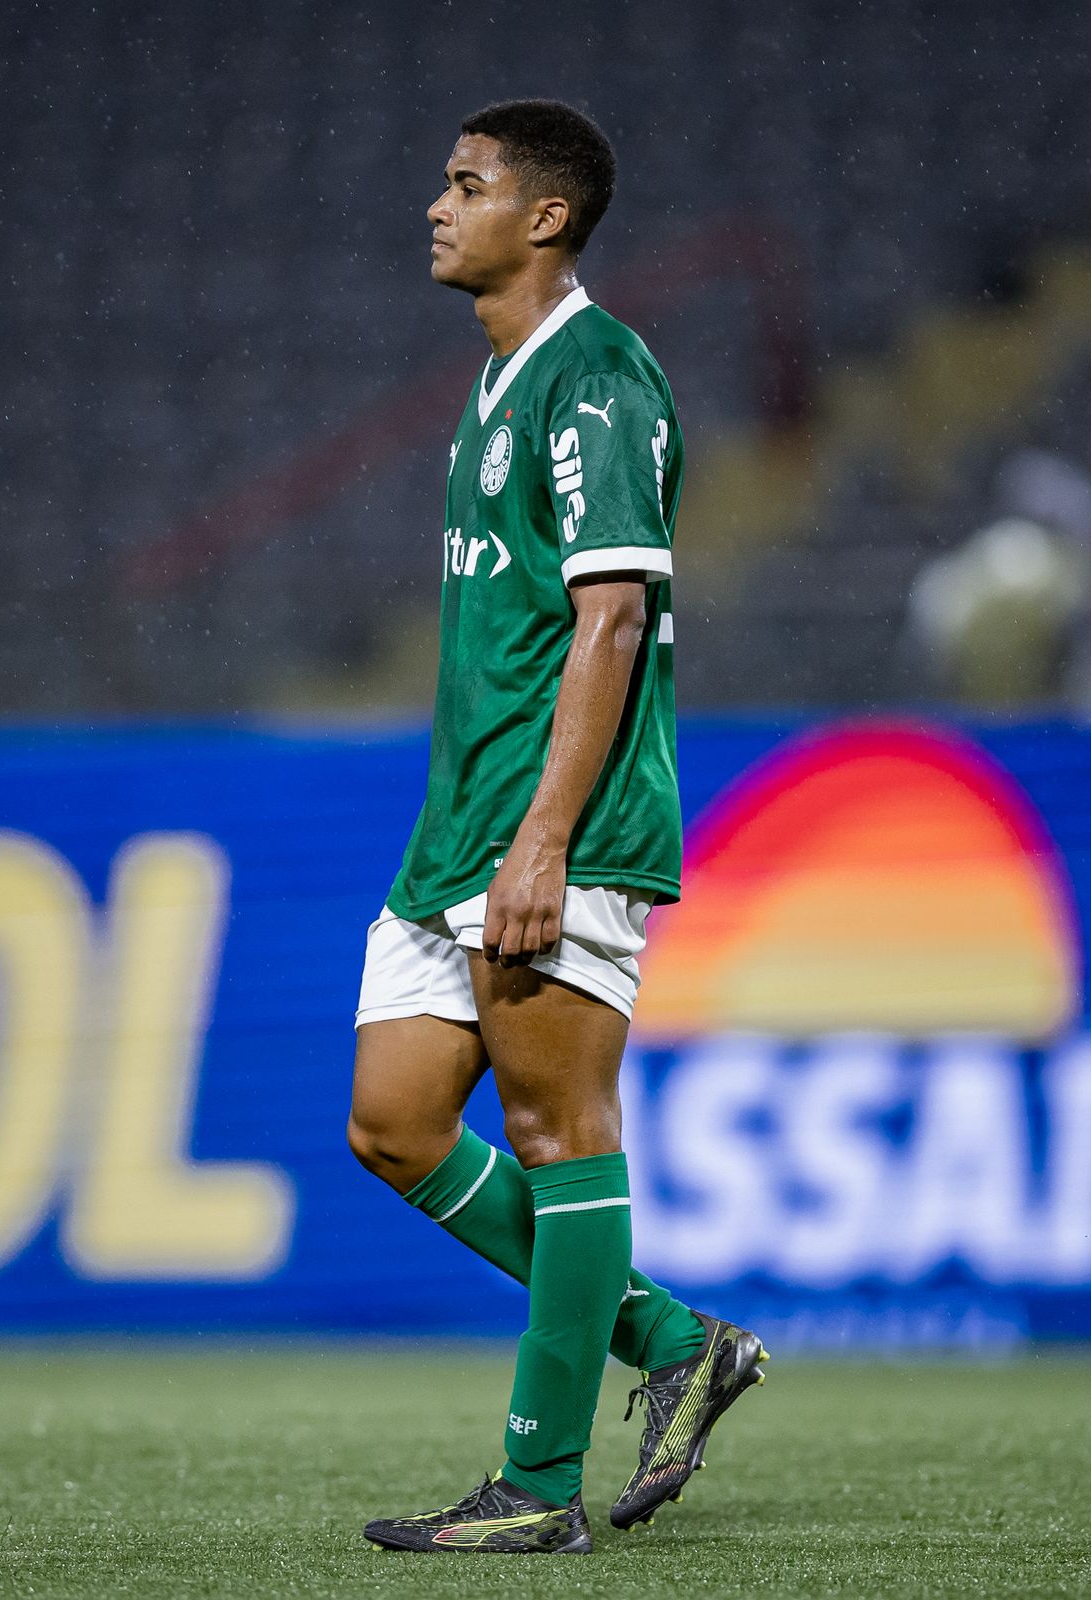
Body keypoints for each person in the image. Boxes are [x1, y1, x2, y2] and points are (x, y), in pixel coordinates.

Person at [347, 98, 766, 1557]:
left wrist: (544, 839)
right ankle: (674, 1342)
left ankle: (538, 1488)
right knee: (394, 1125)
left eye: (466, 185)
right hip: (458, 825)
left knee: (553, 1129)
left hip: (554, 825)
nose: (436, 206)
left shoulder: (597, 378)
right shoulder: (500, 378)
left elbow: (612, 620)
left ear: (545, 217)